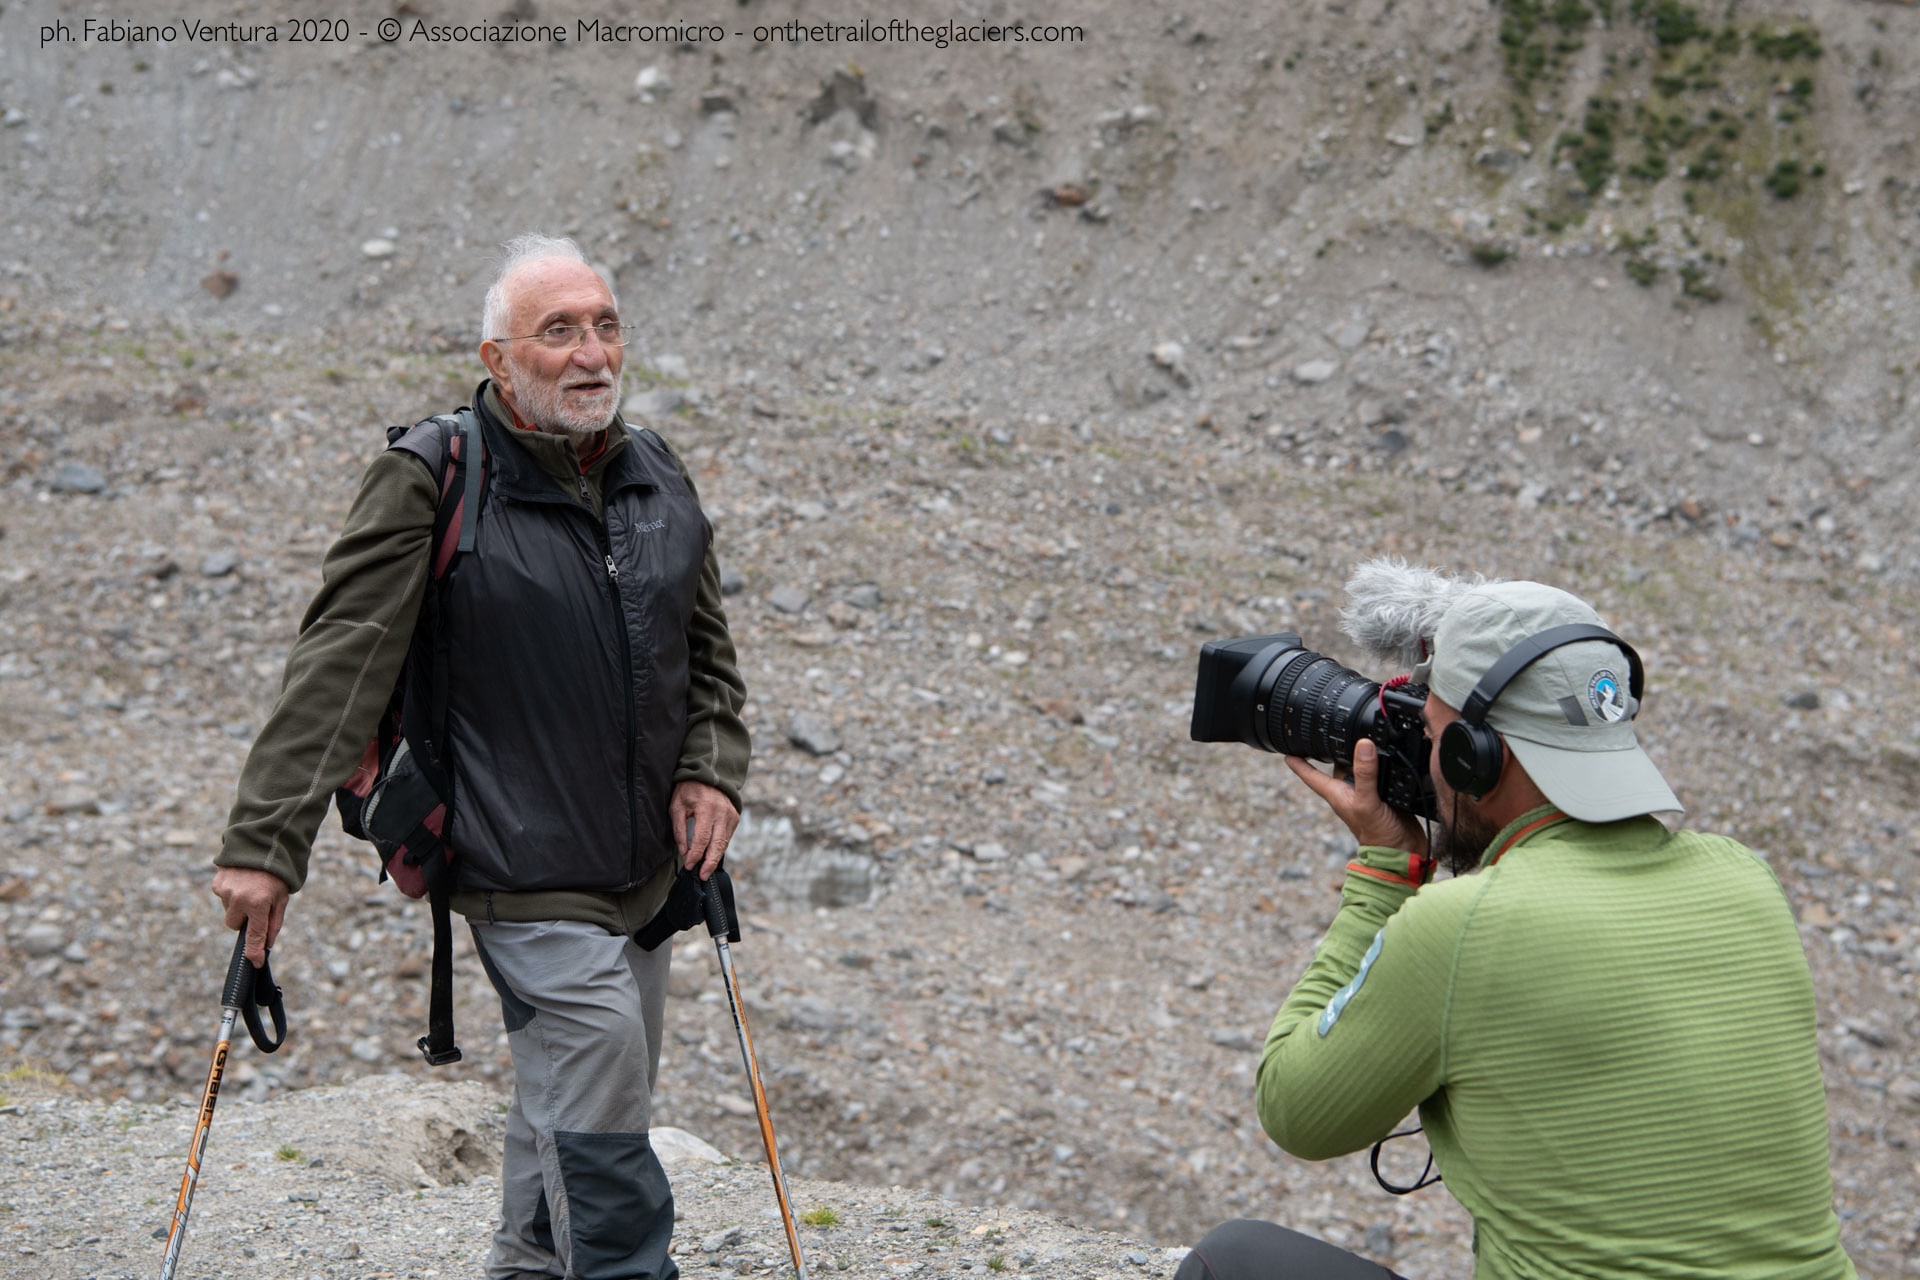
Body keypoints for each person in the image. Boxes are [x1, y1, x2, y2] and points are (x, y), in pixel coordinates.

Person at [210, 233, 749, 1280]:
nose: (593, 353)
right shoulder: (432, 476)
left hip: (646, 868)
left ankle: (522, 1262)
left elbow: (709, 652)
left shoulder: (654, 473)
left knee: (582, 1084)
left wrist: (712, 765)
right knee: (597, 1055)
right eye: (560, 332)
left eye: (605, 325)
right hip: (515, 858)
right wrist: (265, 842)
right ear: (500, 359)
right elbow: (338, 664)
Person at [1179, 574, 1855, 1279]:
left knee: (1233, 1260)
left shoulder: (1463, 927)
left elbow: (1297, 1112)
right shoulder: (1744, 877)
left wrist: (1387, 870)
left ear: (1476, 756)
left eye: (1433, 733)